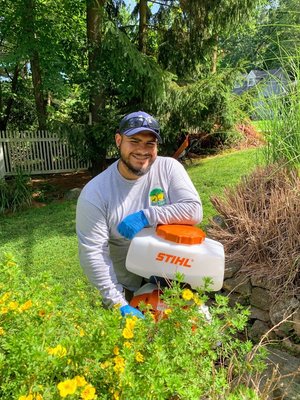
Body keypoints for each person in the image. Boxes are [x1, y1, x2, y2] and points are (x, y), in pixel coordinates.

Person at [76, 111, 203, 318]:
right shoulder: (96, 193)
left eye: (150, 144)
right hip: (127, 286)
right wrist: (118, 303)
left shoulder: (168, 168)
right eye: (134, 141)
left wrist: (146, 216)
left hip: (174, 277)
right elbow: (93, 253)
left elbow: (193, 209)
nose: (142, 150)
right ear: (119, 140)